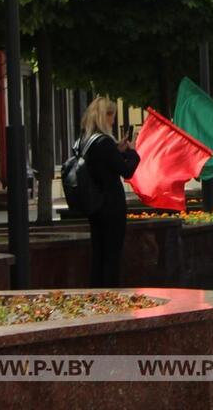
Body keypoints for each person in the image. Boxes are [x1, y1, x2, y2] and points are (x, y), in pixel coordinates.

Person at [78, 97, 140, 287]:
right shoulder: (104, 142)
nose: (113, 121)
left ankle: (97, 292)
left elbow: (103, 163)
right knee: (112, 254)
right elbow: (126, 171)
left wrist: (117, 149)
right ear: (105, 116)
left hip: (94, 204)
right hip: (111, 205)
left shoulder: (85, 141)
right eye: (112, 116)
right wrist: (132, 152)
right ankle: (110, 291)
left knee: (99, 252)